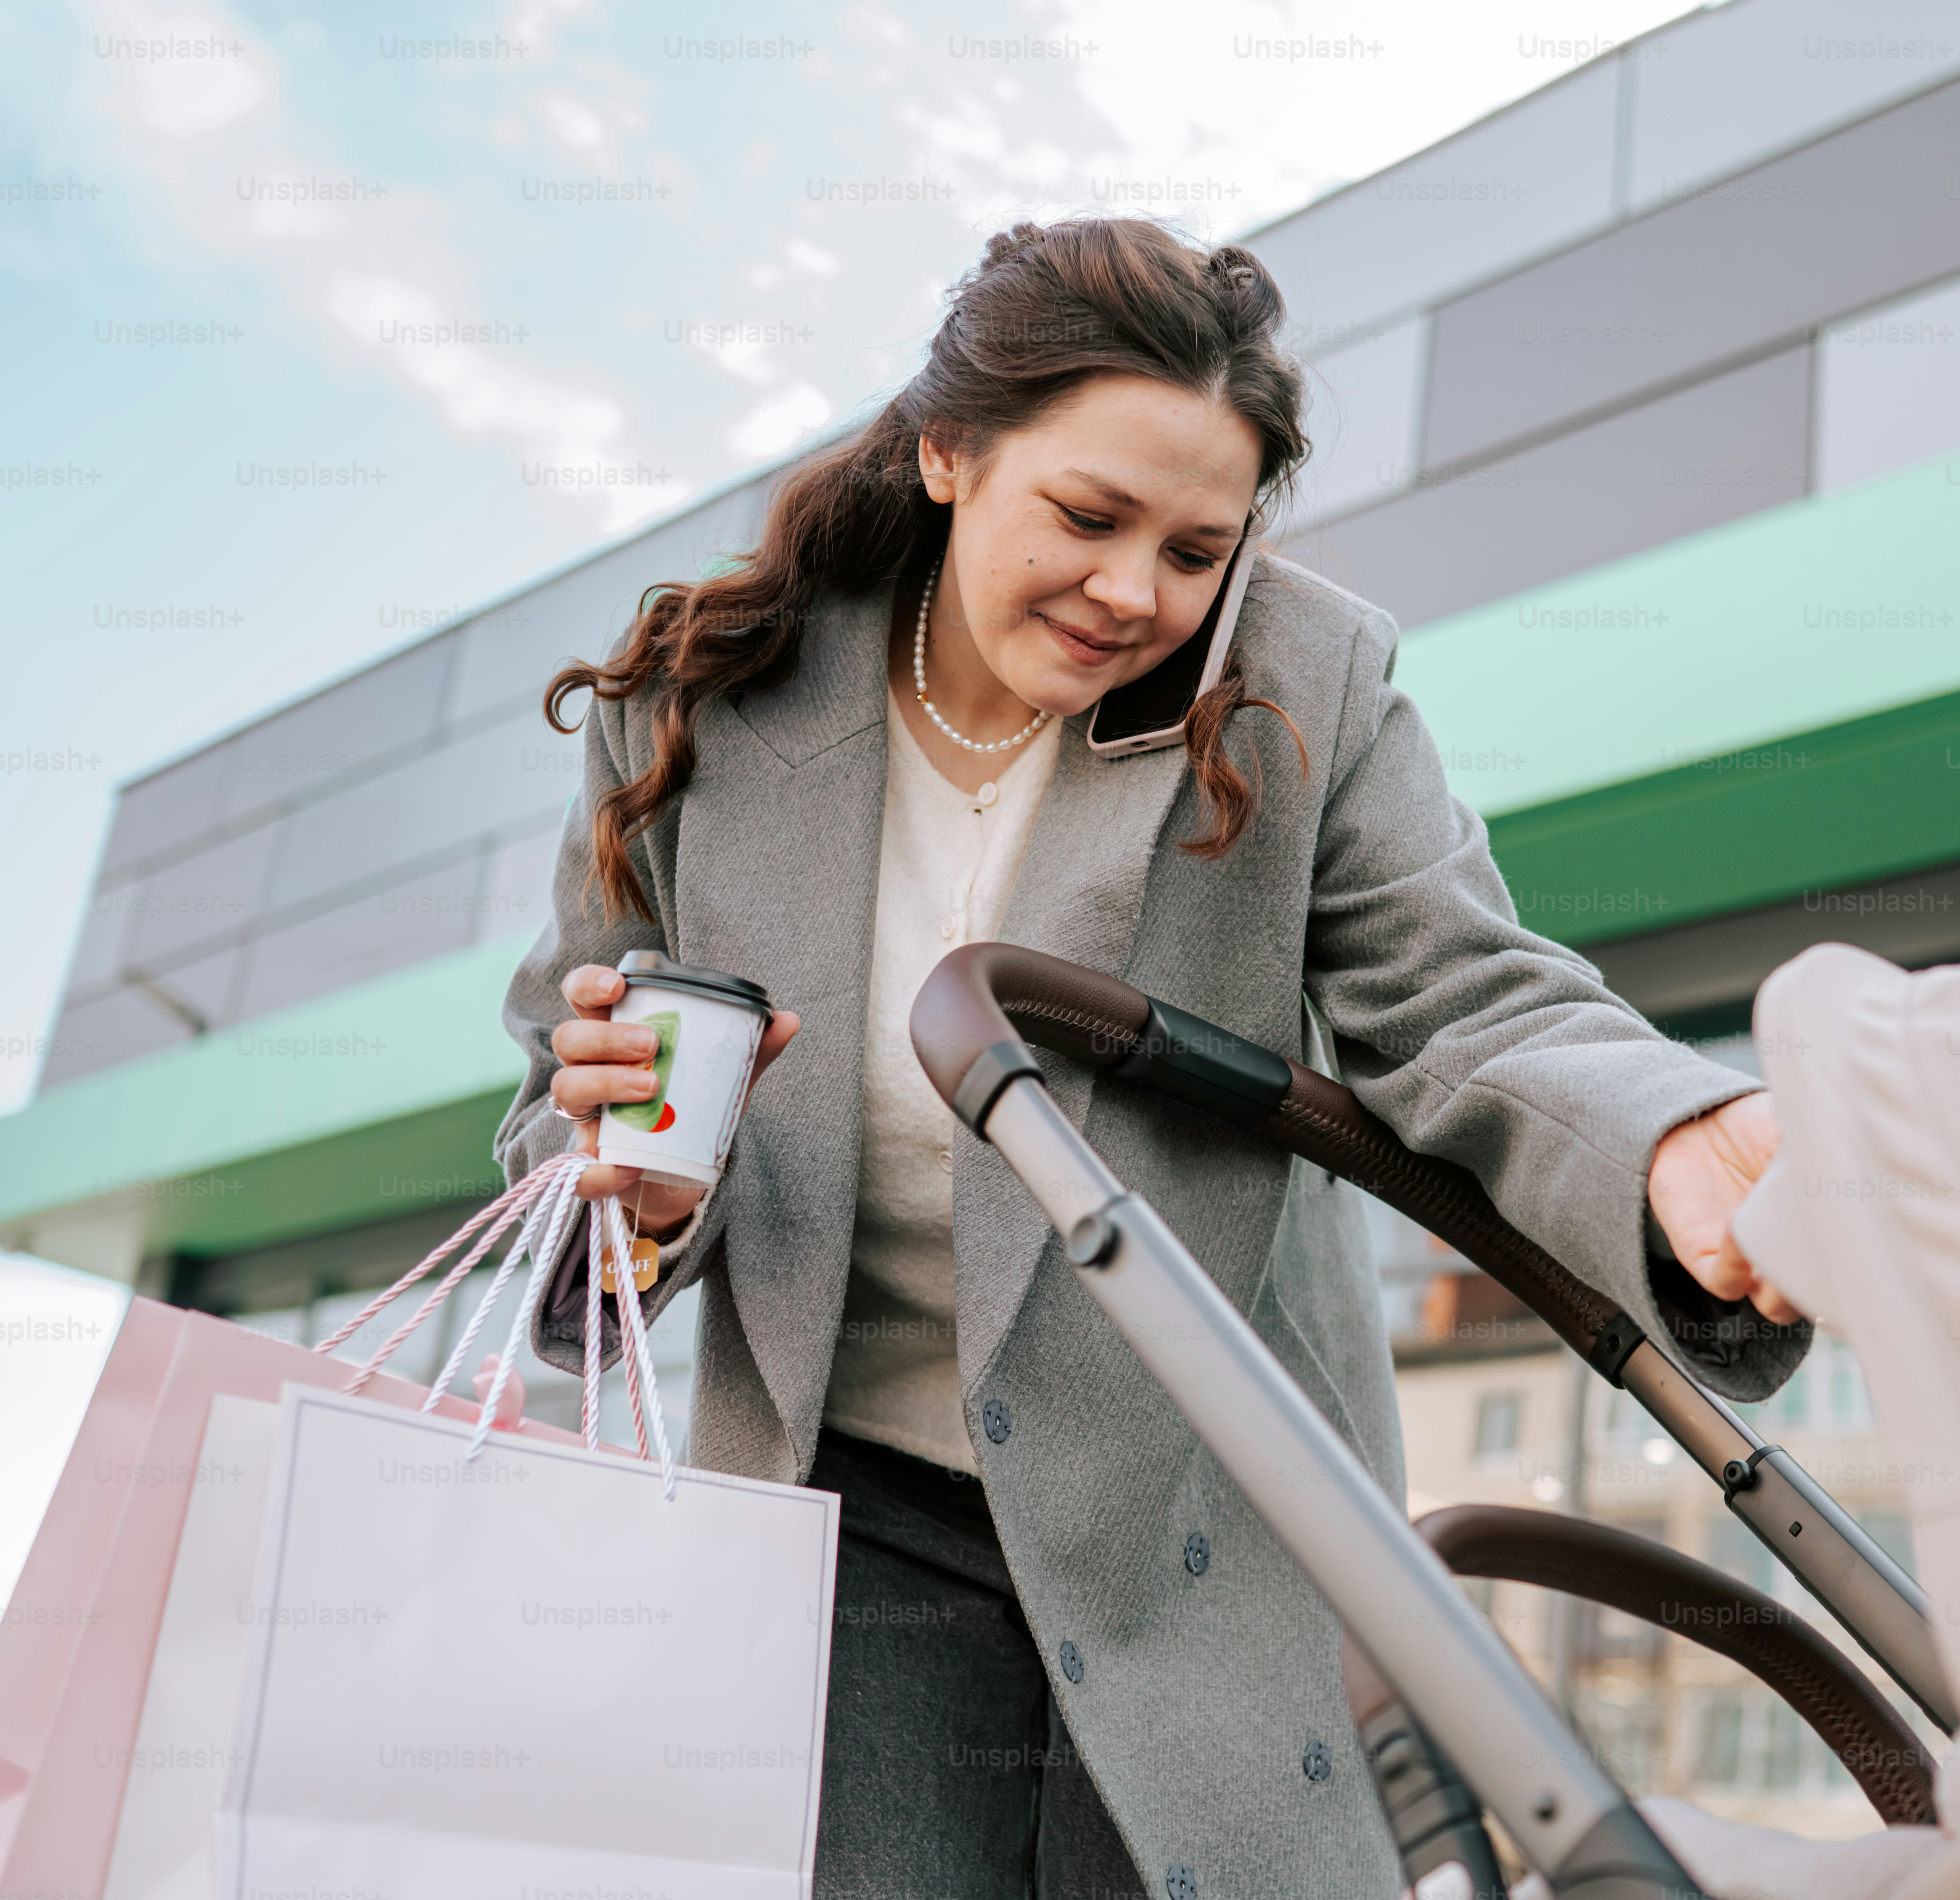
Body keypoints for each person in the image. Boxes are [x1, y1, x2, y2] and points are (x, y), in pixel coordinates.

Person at [496, 215, 1802, 1900]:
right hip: (850, 1523)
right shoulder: (699, 701)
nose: (1136, 594)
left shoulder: (1303, 675)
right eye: (1089, 518)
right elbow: (563, 1101)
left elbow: (1467, 996)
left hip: (1208, 1500)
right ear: (948, 451)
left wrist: (1673, 1138)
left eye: (1197, 549)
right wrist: (626, 1185)